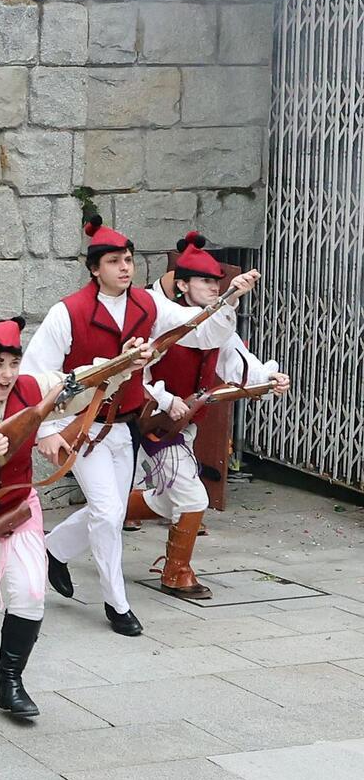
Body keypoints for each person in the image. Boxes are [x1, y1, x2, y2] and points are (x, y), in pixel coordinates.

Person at [20, 213, 259, 635]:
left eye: (128, 259)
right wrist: (46, 432)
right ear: (95, 268)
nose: (125, 267)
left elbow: (198, 334)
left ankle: (51, 549)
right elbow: (35, 375)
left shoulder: (148, 306)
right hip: (83, 427)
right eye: (114, 260)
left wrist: (228, 299)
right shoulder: (67, 313)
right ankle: (118, 604)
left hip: (126, 427)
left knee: (106, 510)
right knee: (109, 513)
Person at [0, 317, 147, 715]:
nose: (8, 374)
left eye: (13, 362)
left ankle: (11, 682)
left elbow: (78, 383)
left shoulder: (31, 387)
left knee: (29, 593)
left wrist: (122, 363)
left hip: (15, 506)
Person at [127, 232, 290, 598]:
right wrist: (166, 400)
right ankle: (176, 572)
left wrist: (269, 378)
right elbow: (136, 374)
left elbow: (239, 362)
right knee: (193, 498)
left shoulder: (217, 323)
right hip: (153, 423)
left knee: (166, 499)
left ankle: (105, 514)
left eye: (216, 281)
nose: (213, 286)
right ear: (182, 284)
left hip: (184, 427)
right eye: (204, 280)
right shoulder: (160, 317)